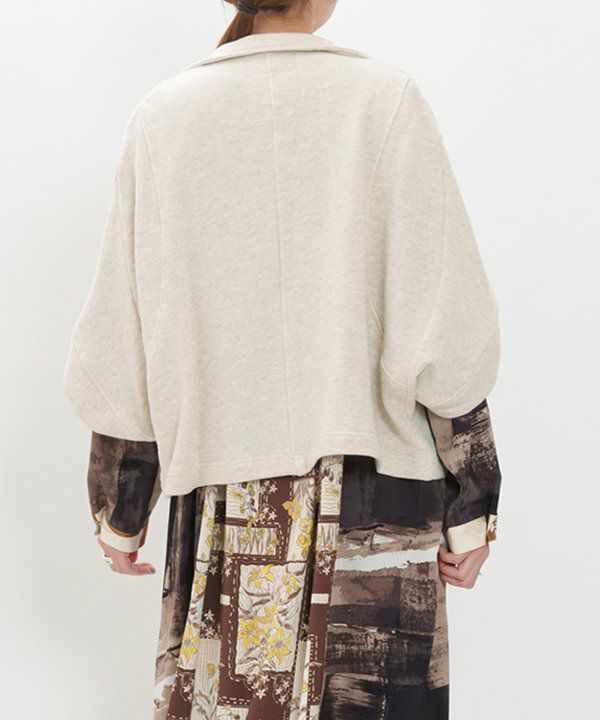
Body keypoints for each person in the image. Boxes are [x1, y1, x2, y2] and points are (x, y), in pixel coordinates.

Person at [65, 1, 502, 718]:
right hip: (376, 505)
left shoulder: (163, 118)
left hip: (223, 507)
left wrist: (121, 511)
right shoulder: (386, 102)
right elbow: (445, 327)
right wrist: (473, 503)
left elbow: (125, 344)